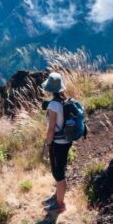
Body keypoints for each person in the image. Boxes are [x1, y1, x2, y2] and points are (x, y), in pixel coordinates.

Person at [41, 72, 72, 214]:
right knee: (59, 170)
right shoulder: (64, 100)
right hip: (66, 141)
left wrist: (47, 146)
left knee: (59, 174)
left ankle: (60, 204)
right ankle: (57, 196)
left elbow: (51, 129)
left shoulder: (53, 105)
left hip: (58, 144)